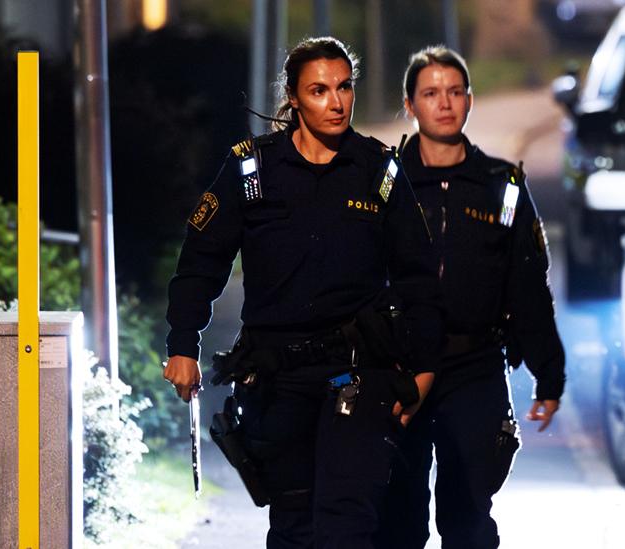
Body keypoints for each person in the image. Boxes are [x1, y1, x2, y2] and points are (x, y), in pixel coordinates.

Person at [162, 36, 443, 549]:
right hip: (276, 377)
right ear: (292, 97)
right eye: (319, 90)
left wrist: (423, 370)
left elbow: (419, 278)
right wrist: (183, 343)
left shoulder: (378, 171)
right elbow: (201, 261)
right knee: (294, 526)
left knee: (347, 524)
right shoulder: (251, 169)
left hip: (357, 374)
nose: (335, 102)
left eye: (344, 87)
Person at [376, 46, 566, 549]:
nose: (445, 103)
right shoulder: (383, 183)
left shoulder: (501, 187)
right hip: (397, 368)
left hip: (474, 366)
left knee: (468, 516)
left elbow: (528, 285)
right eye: (431, 93)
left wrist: (550, 372)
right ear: (410, 104)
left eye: (455, 92)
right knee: (397, 517)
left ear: (470, 101)